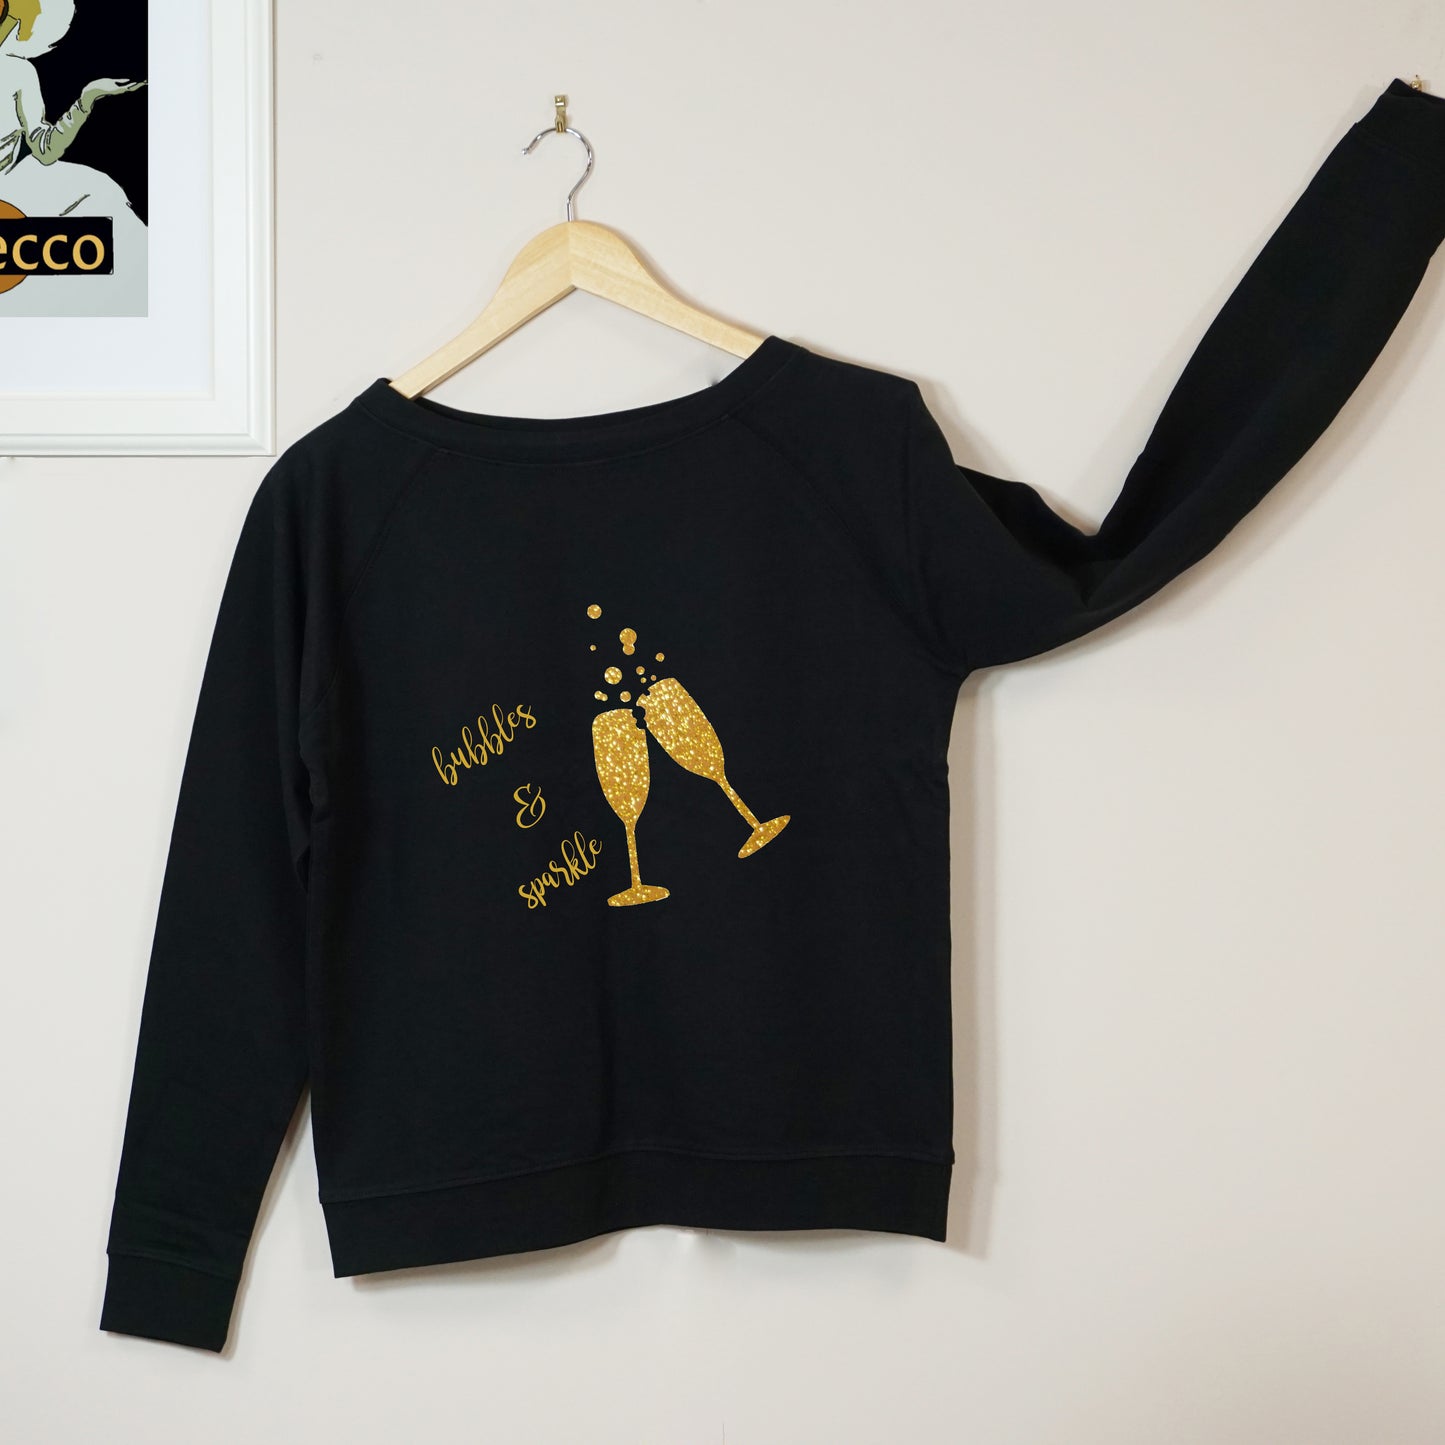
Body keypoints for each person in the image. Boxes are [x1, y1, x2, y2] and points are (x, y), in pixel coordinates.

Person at [0, 0, 147, 314]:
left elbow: (45, 150)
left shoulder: (20, 72)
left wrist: (87, 99)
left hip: (12, 189)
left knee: (100, 192)